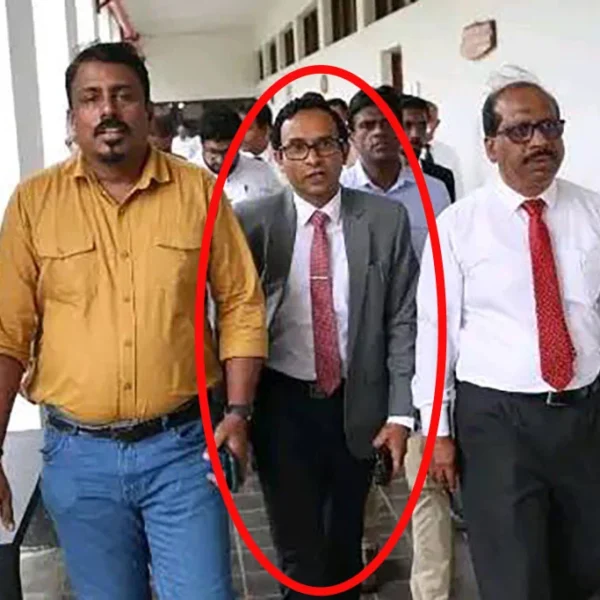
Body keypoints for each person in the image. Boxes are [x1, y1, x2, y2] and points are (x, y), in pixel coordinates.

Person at [0, 42, 267, 600]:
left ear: (148, 109)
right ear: (72, 116)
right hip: (79, 458)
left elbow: (241, 303)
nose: (108, 110)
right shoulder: (33, 204)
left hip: (185, 451)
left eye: (123, 95)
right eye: (91, 98)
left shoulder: (198, 193)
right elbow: (8, 333)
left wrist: (238, 412)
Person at [413, 80, 600, 600]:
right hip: (497, 425)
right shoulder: (458, 227)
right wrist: (438, 431)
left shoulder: (592, 213)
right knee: (514, 576)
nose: (539, 141)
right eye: (520, 131)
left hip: (584, 418)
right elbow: (436, 332)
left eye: (549, 127)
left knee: (583, 569)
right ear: (491, 146)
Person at [235, 92, 419, 599]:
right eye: (298, 148)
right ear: (278, 157)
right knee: (299, 554)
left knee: (344, 547)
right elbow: (227, 318)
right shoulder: (251, 223)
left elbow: (402, 319)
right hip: (282, 404)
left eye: (325, 145)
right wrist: (234, 411)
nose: (313, 158)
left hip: (356, 401)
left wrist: (399, 413)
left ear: (345, 149)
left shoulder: (383, 220)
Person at [341, 85, 452, 598]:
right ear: (352, 135)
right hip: (360, 354)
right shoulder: (338, 192)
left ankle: (431, 589)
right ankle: (363, 547)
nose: (380, 134)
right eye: (367, 125)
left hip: (422, 348)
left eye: (388, 123)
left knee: (425, 480)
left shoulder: (434, 192)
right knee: (359, 468)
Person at [191, 104, 282, 204]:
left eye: (228, 152)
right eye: (213, 152)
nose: (220, 160)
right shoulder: (188, 177)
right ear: (202, 144)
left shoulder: (262, 172)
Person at [401, 95, 456, 203]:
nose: (415, 134)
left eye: (422, 126)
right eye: (407, 125)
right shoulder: (379, 178)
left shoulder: (442, 177)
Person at [424, 100, 464, 200]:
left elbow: (458, 190)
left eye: (430, 120)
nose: (427, 126)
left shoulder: (448, 154)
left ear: (437, 123)